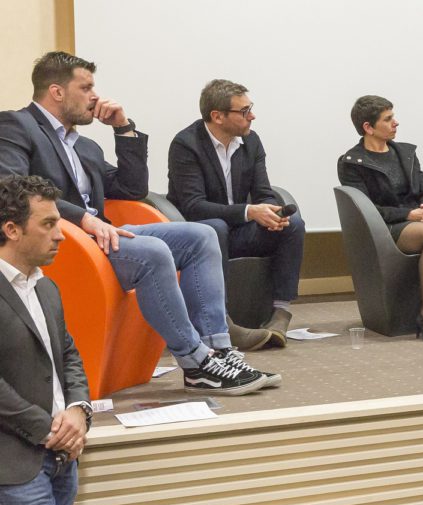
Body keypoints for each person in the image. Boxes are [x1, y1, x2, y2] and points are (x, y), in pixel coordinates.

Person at [0, 51, 273, 395]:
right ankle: (194, 362)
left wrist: (123, 129)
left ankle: (217, 350)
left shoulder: (83, 146)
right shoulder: (16, 126)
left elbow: (132, 188)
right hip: (63, 241)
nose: (95, 97)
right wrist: (84, 219)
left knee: (201, 235)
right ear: (57, 92)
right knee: (153, 250)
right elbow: (11, 185)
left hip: (105, 237)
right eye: (86, 88)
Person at [0, 175, 164, 505]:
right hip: (16, 460)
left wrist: (79, 410)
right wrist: (49, 428)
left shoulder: (45, 287)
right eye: (48, 224)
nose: (59, 234)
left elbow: (69, 355)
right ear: (10, 229)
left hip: (60, 451)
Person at [167, 79, 306, 348]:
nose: (251, 116)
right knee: (215, 226)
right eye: (244, 112)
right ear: (217, 116)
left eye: (250, 109)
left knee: (293, 224)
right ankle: (221, 323)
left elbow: (263, 191)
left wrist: (270, 211)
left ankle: (280, 313)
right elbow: (193, 206)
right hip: (202, 234)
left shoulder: (250, 142)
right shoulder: (186, 144)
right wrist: (249, 212)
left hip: (239, 231)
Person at [338, 95, 423, 341]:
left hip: (418, 219)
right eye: (388, 119)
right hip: (387, 227)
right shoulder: (352, 162)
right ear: (368, 127)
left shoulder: (406, 153)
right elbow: (366, 207)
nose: (395, 123)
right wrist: (409, 214)